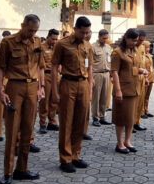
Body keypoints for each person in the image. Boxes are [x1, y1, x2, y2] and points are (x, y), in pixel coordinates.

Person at [0, 15, 44, 184]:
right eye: (30, 30)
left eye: (35, 31)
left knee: (28, 129)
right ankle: (8, 172)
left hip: (32, 89)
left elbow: (40, 66)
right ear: (22, 25)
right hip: (15, 87)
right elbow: (0, 67)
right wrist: (1, 89)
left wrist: (41, 87)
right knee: (12, 130)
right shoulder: (8, 42)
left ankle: (22, 169)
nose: (32, 34)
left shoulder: (37, 42)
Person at [51, 16, 93, 173]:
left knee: (80, 122)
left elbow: (89, 67)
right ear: (75, 29)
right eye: (82, 32)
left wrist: (89, 86)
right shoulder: (62, 44)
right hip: (68, 83)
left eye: (87, 32)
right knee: (67, 121)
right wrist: (55, 91)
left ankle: (76, 155)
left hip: (83, 84)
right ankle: (65, 158)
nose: (84, 35)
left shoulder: (87, 46)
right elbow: (54, 66)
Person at [111, 28, 144, 153]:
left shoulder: (135, 50)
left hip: (134, 89)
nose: (135, 43)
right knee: (121, 118)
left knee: (131, 118)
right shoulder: (117, 53)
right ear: (126, 38)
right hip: (123, 90)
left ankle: (128, 141)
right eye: (133, 40)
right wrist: (118, 90)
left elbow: (135, 67)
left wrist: (142, 70)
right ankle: (119, 143)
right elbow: (114, 72)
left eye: (136, 41)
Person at [38, 29, 61, 134]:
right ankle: (43, 123)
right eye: (53, 39)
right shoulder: (42, 47)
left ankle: (52, 122)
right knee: (44, 101)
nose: (55, 41)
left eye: (56, 39)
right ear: (48, 37)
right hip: (46, 75)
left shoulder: (57, 48)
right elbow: (40, 66)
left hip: (56, 76)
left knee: (54, 100)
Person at [90, 29, 111, 127]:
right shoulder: (93, 47)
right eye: (104, 38)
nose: (105, 40)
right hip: (97, 74)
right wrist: (91, 77)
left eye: (107, 38)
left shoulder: (108, 47)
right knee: (96, 97)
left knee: (104, 96)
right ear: (99, 37)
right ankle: (95, 117)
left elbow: (109, 60)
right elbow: (89, 63)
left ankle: (102, 116)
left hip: (106, 73)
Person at [137, 40, 154, 129]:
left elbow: (151, 68)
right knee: (142, 96)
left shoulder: (149, 56)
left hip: (150, 78)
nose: (148, 49)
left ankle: (146, 110)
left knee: (147, 96)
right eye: (147, 47)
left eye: (149, 47)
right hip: (144, 78)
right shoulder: (141, 56)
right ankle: (142, 111)